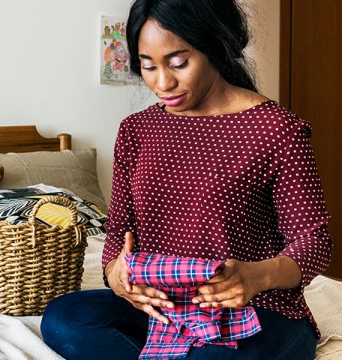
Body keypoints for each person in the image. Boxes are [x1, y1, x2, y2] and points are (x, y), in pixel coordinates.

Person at [40, 0, 332, 359]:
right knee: (64, 317)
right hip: (162, 306)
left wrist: (256, 276)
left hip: (257, 310)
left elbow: (313, 241)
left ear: (215, 48)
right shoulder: (137, 130)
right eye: (148, 66)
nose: (163, 82)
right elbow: (118, 232)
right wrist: (117, 275)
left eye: (179, 63)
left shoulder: (275, 129)